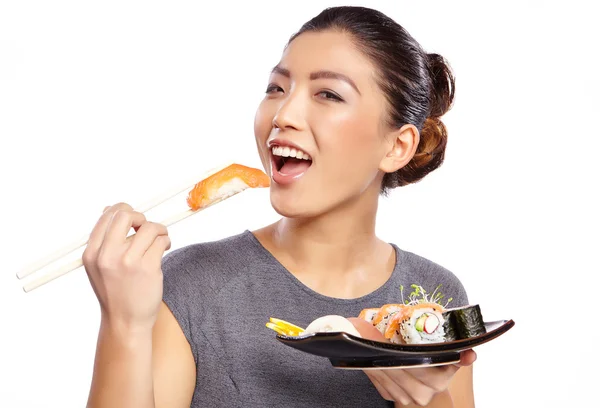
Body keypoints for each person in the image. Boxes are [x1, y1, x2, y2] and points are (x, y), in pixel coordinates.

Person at [83, 6, 477, 408]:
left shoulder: (434, 297)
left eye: (328, 94)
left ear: (397, 146)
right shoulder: (188, 284)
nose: (283, 114)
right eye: (276, 88)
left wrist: (426, 396)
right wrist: (125, 325)